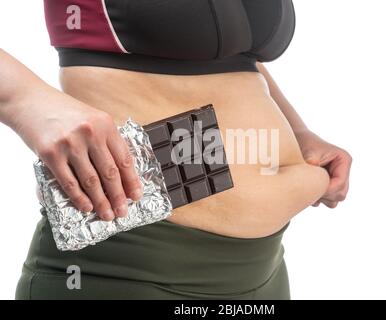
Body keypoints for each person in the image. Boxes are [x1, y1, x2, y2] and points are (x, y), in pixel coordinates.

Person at [0, 0, 351, 299]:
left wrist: (298, 130)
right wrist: (25, 100)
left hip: (266, 269)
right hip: (134, 265)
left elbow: (233, 53)